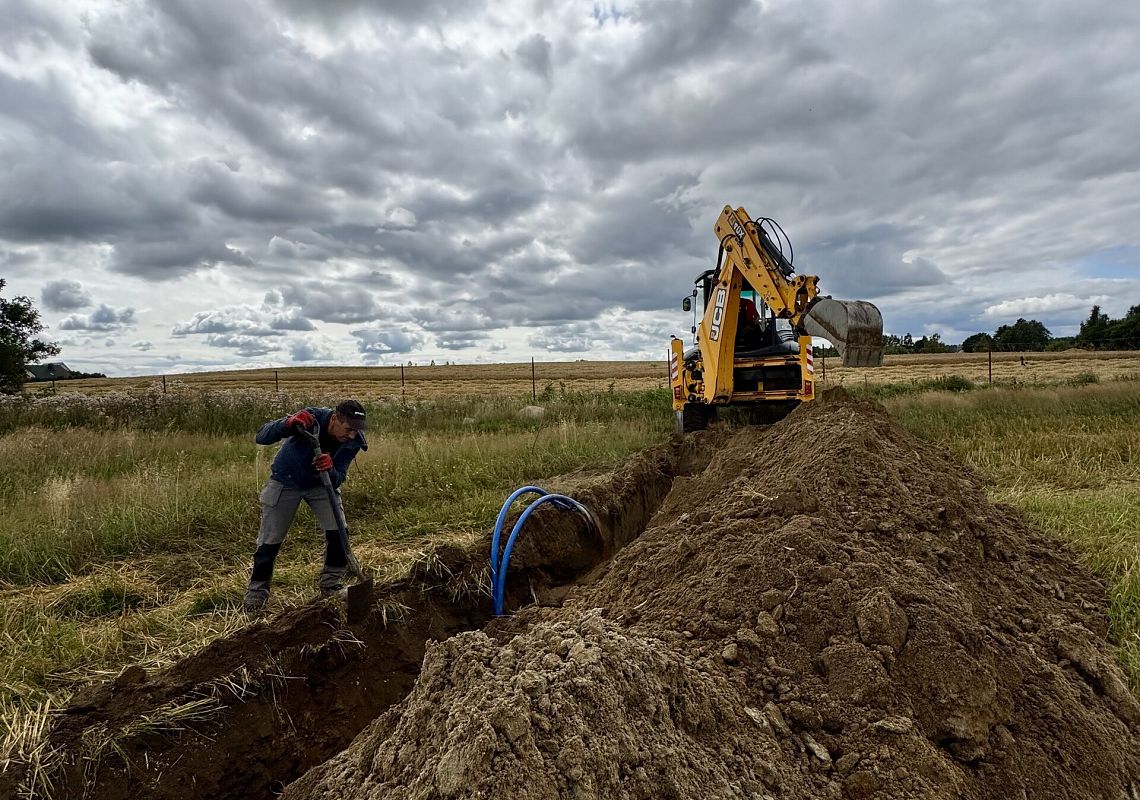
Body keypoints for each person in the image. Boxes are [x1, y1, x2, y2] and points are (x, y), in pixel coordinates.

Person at [243, 399, 369, 612]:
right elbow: (262, 436)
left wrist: (329, 469)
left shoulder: (353, 441)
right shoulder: (311, 418)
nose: (351, 435)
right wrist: (288, 423)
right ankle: (257, 591)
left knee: (338, 531)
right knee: (270, 539)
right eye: (348, 429)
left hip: (321, 484)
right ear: (334, 419)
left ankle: (331, 583)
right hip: (286, 480)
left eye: (356, 431)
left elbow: (339, 477)